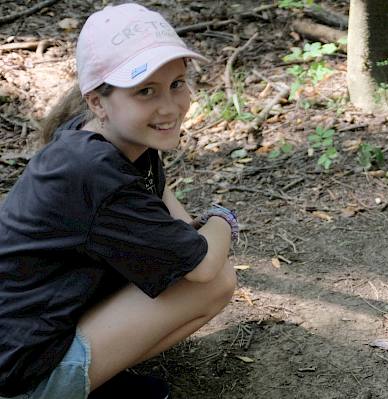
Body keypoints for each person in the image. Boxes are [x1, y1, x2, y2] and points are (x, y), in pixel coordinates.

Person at [0, 3, 239, 399]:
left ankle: (90, 373)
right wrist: (222, 218)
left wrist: (190, 238)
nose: (170, 107)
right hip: (19, 372)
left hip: (22, 336)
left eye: (177, 83)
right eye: (146, 90)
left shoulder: (107, 137)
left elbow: (165, 208)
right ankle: (67, 386)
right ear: (97, 100)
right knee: (215, 283)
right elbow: (202, 266)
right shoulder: (94, 174)